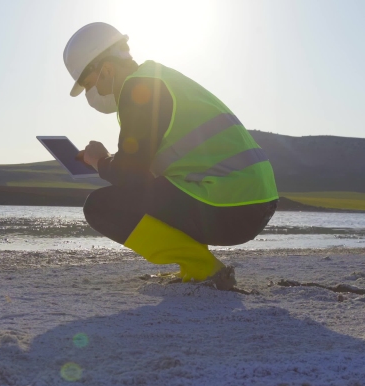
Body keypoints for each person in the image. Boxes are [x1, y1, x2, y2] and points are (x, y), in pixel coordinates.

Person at [63, 23, 278, 290]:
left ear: (106, 69)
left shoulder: (139, 88)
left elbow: (130, 176)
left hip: (231, 206)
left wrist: (99, 161)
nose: (89, 94)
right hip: (250, 201)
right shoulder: (159, 78)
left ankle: (204, 267)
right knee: (161, 185)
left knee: (100, 207)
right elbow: (154, 170)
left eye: (87, 84)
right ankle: (192, 266)